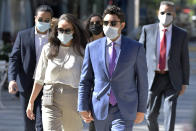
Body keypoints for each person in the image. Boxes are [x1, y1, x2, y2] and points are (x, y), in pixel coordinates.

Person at [78, 5, 148, 131]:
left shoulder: (135, 48)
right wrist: (82, 106)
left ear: (122, 25)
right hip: (99, 108)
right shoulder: (92, 47)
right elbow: (85, 80)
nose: (108, 26)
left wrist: (142, 109)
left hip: (124, 108)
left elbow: (142, 82)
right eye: (105, 23)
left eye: (113, 23)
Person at [26, 13, 88, 131]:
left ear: (74, 30)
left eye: (67, 30)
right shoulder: (48, 48)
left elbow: (88, 80)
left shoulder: (82, 51)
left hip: (73, 98)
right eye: (60, 30)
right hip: (50, 97)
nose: (63, 33)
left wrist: (87, 103)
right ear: (56, 30)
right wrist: (31, 102)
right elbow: (39, 78)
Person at [139, 1, 190, 131]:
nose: (165, 15)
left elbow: (184, 59)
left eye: (169, 13)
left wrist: (185, 82)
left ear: (174, 15)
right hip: (153, 78)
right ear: (158, 14)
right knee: (150, 115)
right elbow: (139, 56)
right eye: (162, 12)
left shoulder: (181, 34)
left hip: (172, 79)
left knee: (170, 113)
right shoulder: (147, 30)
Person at [8, 5, 53, 131]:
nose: (43, 22)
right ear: (34, 19)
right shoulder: (23, 35)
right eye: (40, 19)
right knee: (29, 123)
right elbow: (14, 59)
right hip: (27, 85)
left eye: (46, 20)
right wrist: (12, 79)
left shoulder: (55, 37)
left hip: (48, 86)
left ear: (51, 20)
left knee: (43, 123)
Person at [85, 13, 104, 131]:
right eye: (92, 23)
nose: (95, 25)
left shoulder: (109, 42)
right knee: (92, 122)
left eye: (98, 23)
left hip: (102, 86)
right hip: (89, 86)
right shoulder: (84, 43)